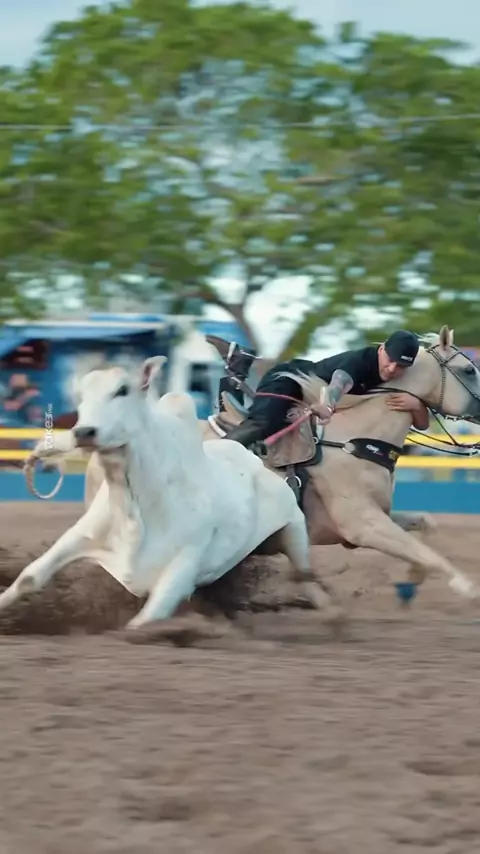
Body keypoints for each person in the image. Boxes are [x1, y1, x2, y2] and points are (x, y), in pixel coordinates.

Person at [224, 330, 430, 448]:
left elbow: (423, 426)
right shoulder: (359, 361)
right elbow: (340, 382)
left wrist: (417, 405)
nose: (392, 369)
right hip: (290, 380)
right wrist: (327, 406)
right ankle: (217, 453)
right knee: (264, 424)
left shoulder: (400, 378)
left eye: (401, 366)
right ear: (382, 349)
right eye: (390, 360)